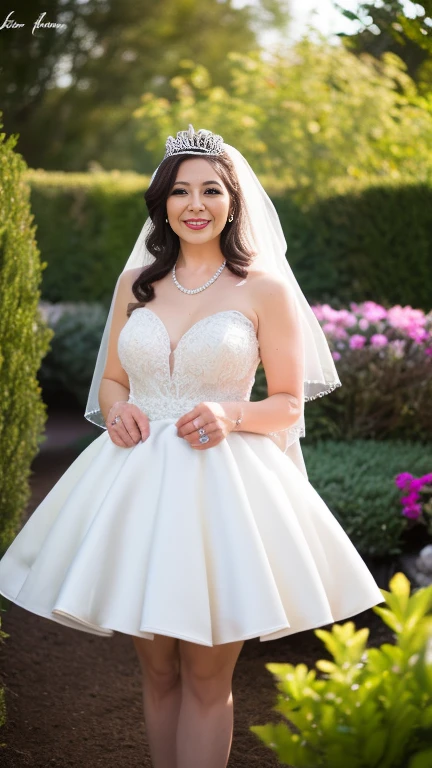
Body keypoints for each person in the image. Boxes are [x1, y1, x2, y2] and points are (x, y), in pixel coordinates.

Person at [0, 125, 385, 768]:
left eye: (210, 190)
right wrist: (119, 409)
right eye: (181, 191)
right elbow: (115, 380)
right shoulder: (137, 285)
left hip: (223, 491)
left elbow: (289, 402)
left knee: (209, 680)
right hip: (134, 487)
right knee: (156, 676)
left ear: (233, 201)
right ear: (163, 203)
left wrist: (231, 413)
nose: (195, 204)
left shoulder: (264, 290)